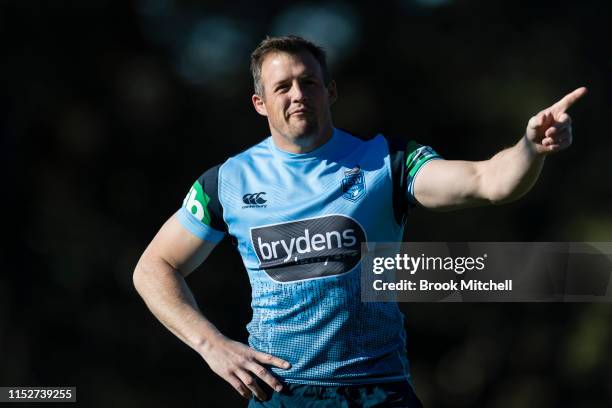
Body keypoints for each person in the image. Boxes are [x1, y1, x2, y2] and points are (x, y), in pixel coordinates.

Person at [133, 35, 586, 406]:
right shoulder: (227, 181)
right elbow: (154, 267)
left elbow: (488, 180)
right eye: (282, 87)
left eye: (308, 82)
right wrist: (211, 344)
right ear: (259, 103)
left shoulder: (386, 162)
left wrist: (530, 147)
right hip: (283, 394)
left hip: (379, 392)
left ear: (330, 91)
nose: (297, 95)